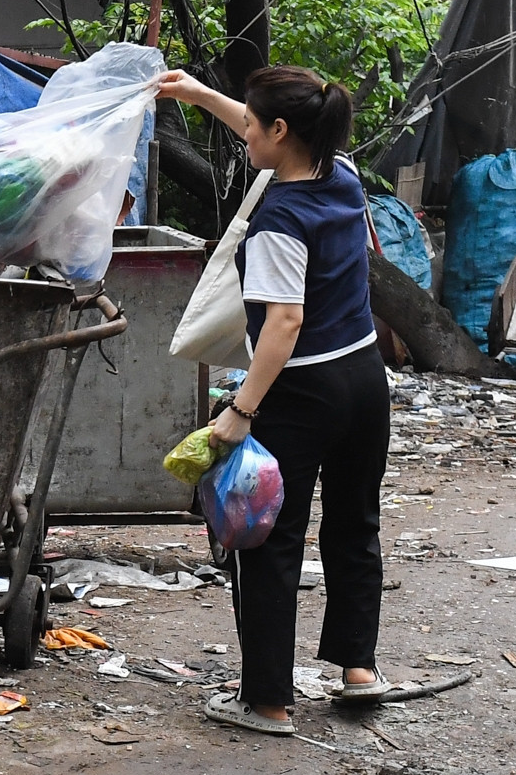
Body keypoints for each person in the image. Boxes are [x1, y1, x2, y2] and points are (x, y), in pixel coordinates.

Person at [156, 64, 391, 735]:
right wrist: (201, 96)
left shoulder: (277, 223)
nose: (246, 135)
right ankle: (358, 670)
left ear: (281, 131)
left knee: (267, 539)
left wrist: (241, 410)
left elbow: (283, 326)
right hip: (364, 379)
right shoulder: (338, 175)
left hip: (302, 392)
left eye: (254, 126)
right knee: (354, 523)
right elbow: (267, 132)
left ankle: (267, 701)